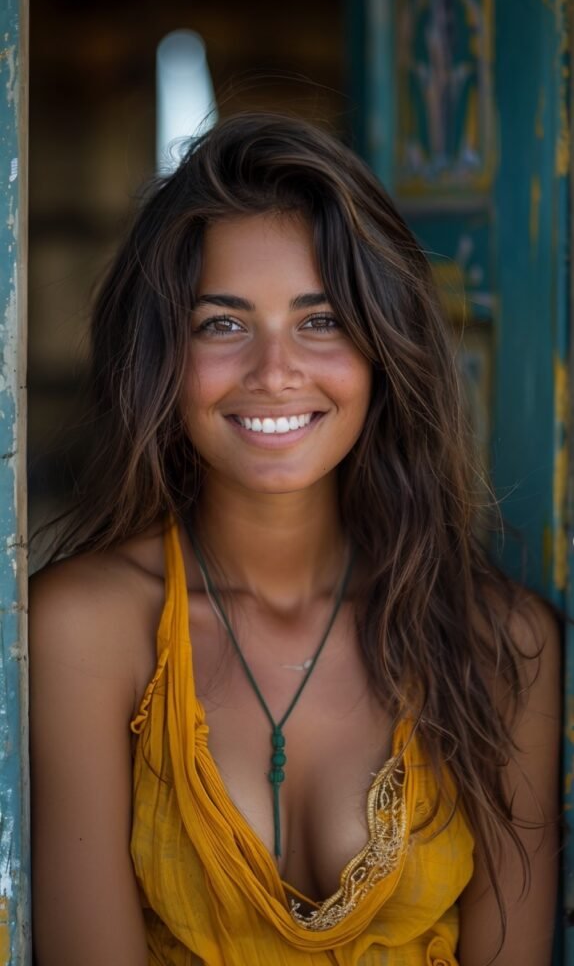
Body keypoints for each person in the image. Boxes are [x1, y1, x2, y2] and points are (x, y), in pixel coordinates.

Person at [30, 112, 560, 966]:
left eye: (320, 320)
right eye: (223, 324)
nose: (275, 371)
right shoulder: (88, 629)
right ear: (163, 355)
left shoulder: (503, 646)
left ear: (385, 349)